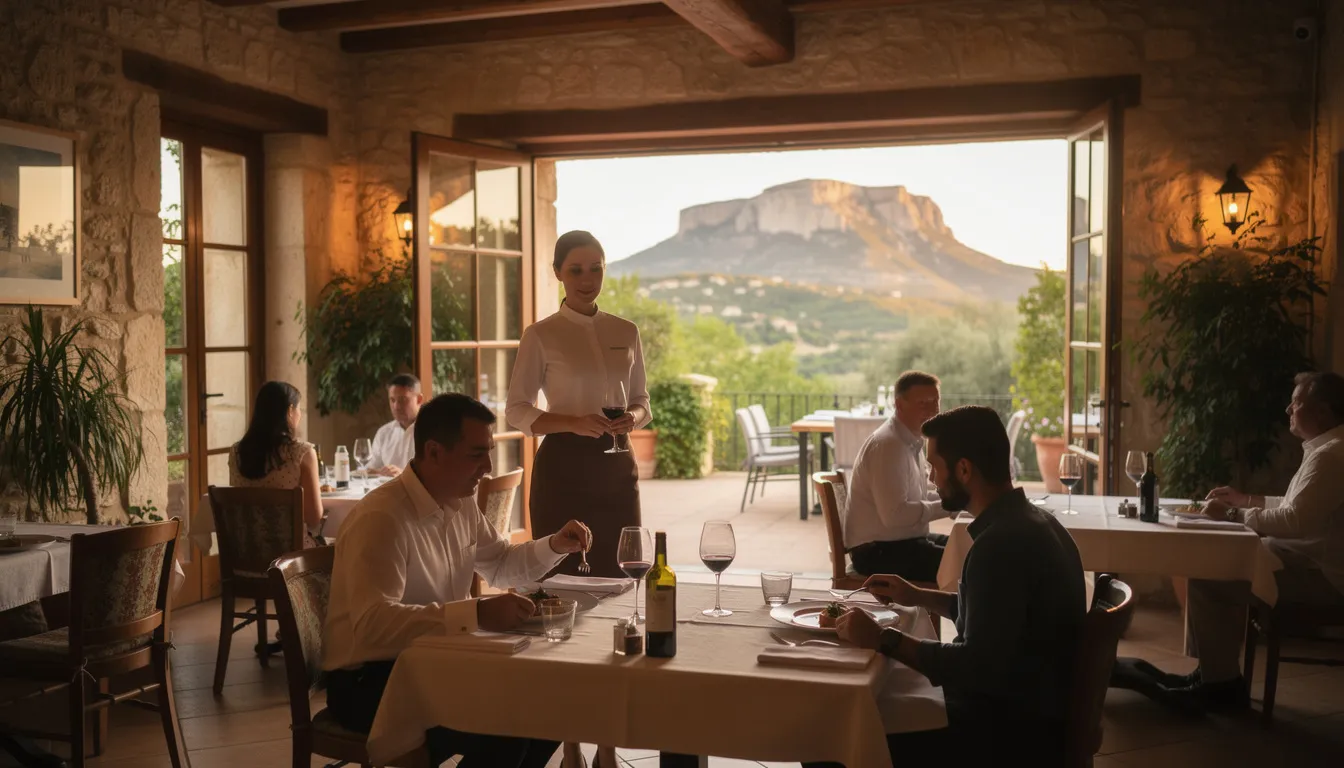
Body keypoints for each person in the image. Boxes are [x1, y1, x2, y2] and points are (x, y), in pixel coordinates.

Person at [323, 393, 591, 768]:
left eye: (489, 452)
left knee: (546, 704)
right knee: (508, 723)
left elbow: (499, 564)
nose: (489, 466)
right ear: (433, 452)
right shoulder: (382, 519)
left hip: (438, 661)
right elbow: (373, 628)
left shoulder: (460, 500)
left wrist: (554, 545)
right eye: (476, 454)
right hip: (368, 680)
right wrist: (476, 614)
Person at [810, 406, 1085, 767]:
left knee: (827, 734)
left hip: (1002, 737)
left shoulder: (999, 547)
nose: (931, 477)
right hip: (1031, 713)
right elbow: (1000, 622)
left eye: (935, 466)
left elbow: (974, 665)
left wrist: (883, 638)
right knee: (873, 699)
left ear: (964, 470)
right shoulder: (1036, 522)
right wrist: (917, 596)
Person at [1129, 371, 1344, 711]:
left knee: (1213, 575)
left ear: (1323, 411)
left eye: (1298, 402)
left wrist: (1230, 516)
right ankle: (1212, 675)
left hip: (1322, 578)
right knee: (1211, 567)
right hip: (1305, 564)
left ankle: (1220, 685)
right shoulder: (1327, 448)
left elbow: (1294, 520)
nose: (1288, 408)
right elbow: (1294, 507)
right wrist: (1245, 500)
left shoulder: (1331, 456)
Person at [505, 230, 650, 580]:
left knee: (622, 570)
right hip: (562, 469)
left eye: (595, 269)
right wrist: (572, 422)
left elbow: (642, 401)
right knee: (562, 576)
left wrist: (632, 417)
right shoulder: (540, 335)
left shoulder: (626, 331)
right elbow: (516, 410)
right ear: (558, 273)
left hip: (617, 469)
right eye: (575, 270)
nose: (587, 279)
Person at [844, 371, 950, 582]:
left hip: (900, 543)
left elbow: (916, 497)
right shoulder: (889, 446)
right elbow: (895, 515)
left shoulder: (911, 440)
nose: (932, 410)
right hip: (876, 553)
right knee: (969, 561)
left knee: (966, 546)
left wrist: (953, 500)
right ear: (900, 405)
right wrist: (949, 507)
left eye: (935, 402)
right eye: (923, 403)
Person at [229, 380, 323, 547]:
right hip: (291, 564)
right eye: (298, 408)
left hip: (246, 559)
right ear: (290, 411)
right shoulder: (302, 453)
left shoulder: (236, 453)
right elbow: (314, 518)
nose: (299, 414)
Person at [367, 373, 423, 477]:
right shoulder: (384, 433)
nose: (396, 406)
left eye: (403, 400)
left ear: (419, 400)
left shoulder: (434, 432)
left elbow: (442, 475)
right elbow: (370, 469)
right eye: (392, 400)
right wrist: (381, 472)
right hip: (387, 491)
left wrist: (404, 476)